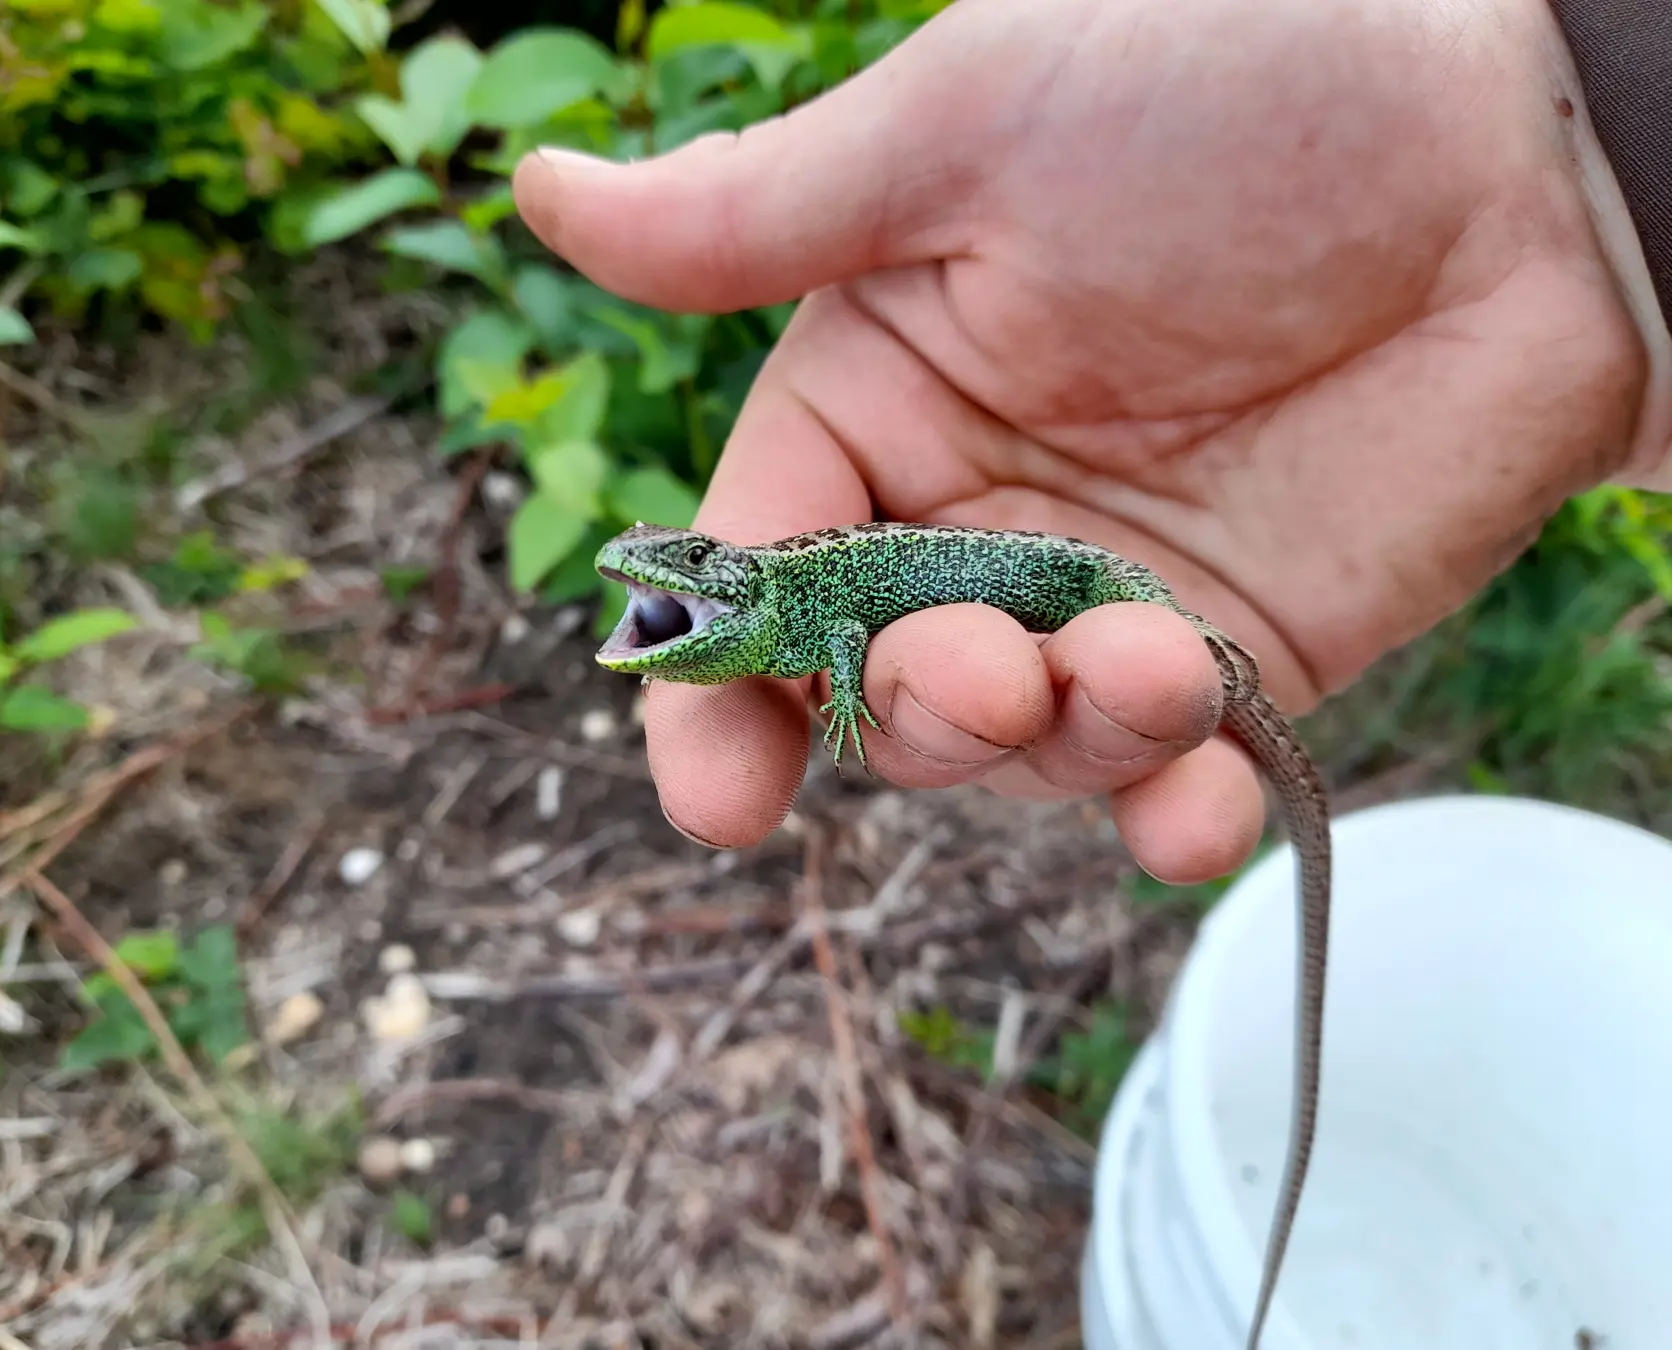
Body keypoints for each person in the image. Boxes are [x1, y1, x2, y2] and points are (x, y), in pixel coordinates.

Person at [512, 0, 1672, 878]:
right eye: (668, 570)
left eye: (684, 561)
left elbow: (860, 627)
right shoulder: (774, 599)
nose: (658, 575)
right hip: (1067, 577)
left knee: (1125, 657)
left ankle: (1190, 654)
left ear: (731, 584)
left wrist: (1569, 130)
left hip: (1070, 577)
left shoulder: (801, 599)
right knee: (1111, 686)